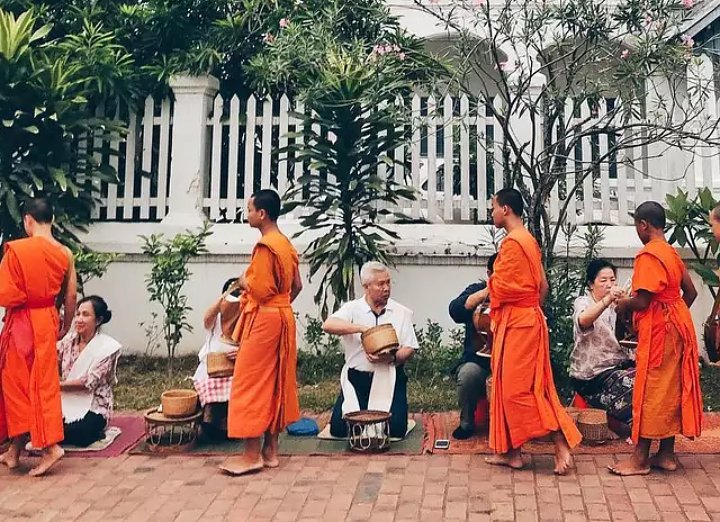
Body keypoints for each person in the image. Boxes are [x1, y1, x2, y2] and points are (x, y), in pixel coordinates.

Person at [486, 188, 581, 474]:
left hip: (520, 324)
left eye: (493, 208)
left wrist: (491, 287)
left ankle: (559, 439)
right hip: (525, 319)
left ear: (505, 210)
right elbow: (543, 287)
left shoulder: (515, 243)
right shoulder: (528, 240)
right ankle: (510, 452)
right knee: (507, 387)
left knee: (518, 391)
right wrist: (531, 311)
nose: (491, 213)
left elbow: (502, 287)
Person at [609, 201, 703, 476]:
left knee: (651, 389)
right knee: (670, 389)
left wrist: (623, 304)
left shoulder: (649, 255)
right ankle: (666, 455)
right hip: (677, 326)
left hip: (661, 331)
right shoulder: (671, 253)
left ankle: (640, 459)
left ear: (643, 225)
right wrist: (674, 317)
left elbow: (642, 300)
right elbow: (691, 293)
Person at [220, 189, 302, 476]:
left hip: (265, 317)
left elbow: (260, 288)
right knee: (276, 379)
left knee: (249, 381)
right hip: (282, 315)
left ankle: (252, 454)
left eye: (250, 210)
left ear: (262, 214)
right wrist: (280, 307)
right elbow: (297, 287)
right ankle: (271, 450)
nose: (247, 214)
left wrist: (243, 280)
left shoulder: (266, 246)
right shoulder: (286, 245)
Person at [0, 197, 77, 476]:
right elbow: (71, 295)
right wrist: (66, 325)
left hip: (22, 321)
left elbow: (6, 294)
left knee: (16, 385)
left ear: (27, 220)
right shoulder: (64, 252)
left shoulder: (19, 251)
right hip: (47, 319)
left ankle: (49, 448)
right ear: (52, 220)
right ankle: (14, 451)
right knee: (41, 383)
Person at [323, 262, 419, 439]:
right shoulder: (352, 309)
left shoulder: (401, 312)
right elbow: (328, 325)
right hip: (358, 378)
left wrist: (391, 358)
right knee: (340, 430)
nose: (386, 288)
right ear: (366, 287)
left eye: (388, 283)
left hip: (389, 376)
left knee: (395, 430)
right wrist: (361, 329)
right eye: (380, 284)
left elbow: (410, 348)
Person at [570, 259, 634, 432]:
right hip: (592, 374)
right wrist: (607, 300)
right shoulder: (583, 302)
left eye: (612, 280)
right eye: (603, 280)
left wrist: (627, 306)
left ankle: (643, 428)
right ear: (591, 284)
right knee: (631, 382)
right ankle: (631, 427)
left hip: (618, 365)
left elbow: (632, 333)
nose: (609, 284)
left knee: (650, 376)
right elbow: (583, 320)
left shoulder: (618, 304)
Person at [57, 296, 121, 447]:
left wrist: (57, 386)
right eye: (78, 314)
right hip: (66, 401)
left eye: (85, 315)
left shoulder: (107, 348)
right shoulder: (68, 341)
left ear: (98, 320)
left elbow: (88, 382)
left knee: (81, 432)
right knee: (41, 424)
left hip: (94, 405)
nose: (79, 319)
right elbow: (50, 356)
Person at [448, 253, 497, 440]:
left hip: (510, 361)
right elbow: (455, 310)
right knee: (468, 374)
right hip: (480, 362)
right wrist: (487, 292)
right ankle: (467, 422)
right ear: (489, 273)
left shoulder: (518, 294)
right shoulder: (477, 290)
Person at [193, 278, 241, 438]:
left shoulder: (247, 317)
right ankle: (210, 423)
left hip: (238, 366)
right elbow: (206, 320)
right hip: (212, 366)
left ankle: (232, 425)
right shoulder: (216, 316)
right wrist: (225, 298)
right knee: (207, 381)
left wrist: (241, 353)